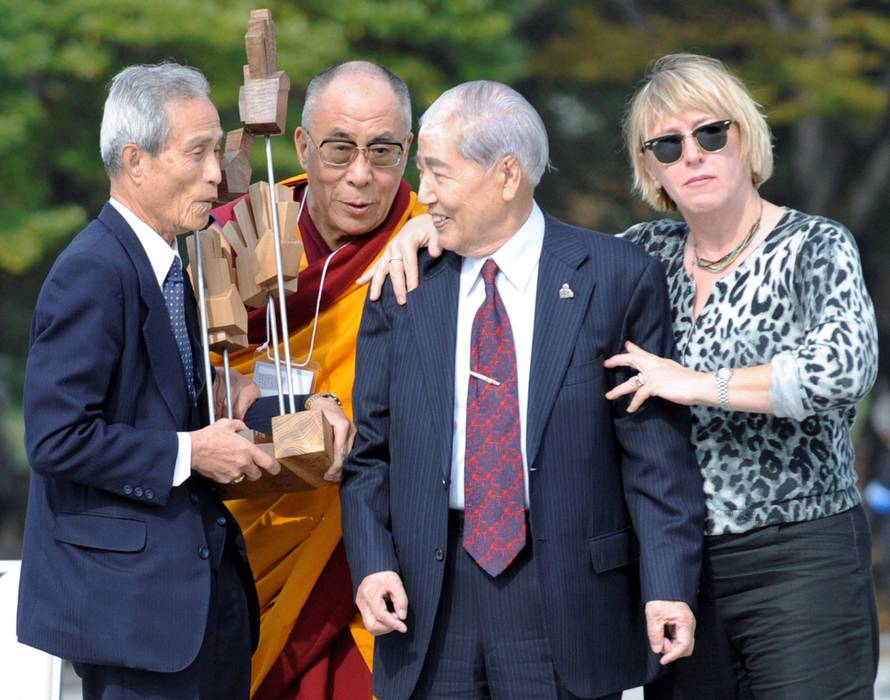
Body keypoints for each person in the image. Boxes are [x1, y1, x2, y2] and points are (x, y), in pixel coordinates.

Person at [370, 54, 881, 700]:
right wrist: (433, 224)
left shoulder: (814, 245)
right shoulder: (643, 255)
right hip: (680, 565)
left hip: (798, 556)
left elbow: (843, 370)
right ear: (650, 167)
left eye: (710, 133)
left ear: (746, 137)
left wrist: (695, 382)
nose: (691, 155)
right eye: (667, 145)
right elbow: (529, 240)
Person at [340, 80, 705, 700]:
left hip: (568, 600)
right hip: (428, 602)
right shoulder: (403, 284)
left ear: (506, 175)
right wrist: (373, 563)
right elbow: (370, 451)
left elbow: (655, 457)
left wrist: (668, 584)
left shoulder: (615, 278)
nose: (421, 193)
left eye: (437, 173)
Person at [18, 63, 282, 699]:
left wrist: (217, 403)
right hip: (132, 616)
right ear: (134, 161)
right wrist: (194, 450)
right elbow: (55, 438)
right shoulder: (93, 269)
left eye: (216, 151)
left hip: (200, 604)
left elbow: (151, 404)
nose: (217, 174)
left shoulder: (166, 263)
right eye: (196, 153)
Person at [209, 61, 427, 698]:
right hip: (248, 537)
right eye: (339, 149)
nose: (361, 175)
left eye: (382, 151)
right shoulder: (236, 240)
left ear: (408, 152)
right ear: (303, 146)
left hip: (367, 561)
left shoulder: (433, 250)